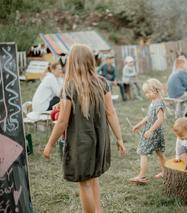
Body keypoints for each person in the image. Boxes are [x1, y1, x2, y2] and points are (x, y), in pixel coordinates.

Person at [43, 44, 126, 212]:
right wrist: (119, 138)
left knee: (85, 183)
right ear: (90, 61)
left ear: (72, 62)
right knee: (93, 179)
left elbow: (62, 122)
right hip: (100, 140)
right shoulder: (102, 83)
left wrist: (50, 144)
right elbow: (111, 113)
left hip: (81, 143)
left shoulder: (69, 87)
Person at [129, 78, 166, 184]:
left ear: (155, 90)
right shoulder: (153, 102)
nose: (146, 95)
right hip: (154, 132)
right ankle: (165, 172)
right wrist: (139, 124)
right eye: (145, 93)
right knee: (159, 153)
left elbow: (160, 119)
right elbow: (149, 116)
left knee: (143, 152)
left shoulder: (159, 103)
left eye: (148, 92)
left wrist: (150, 130)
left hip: (153, 133)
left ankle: (141, 176)